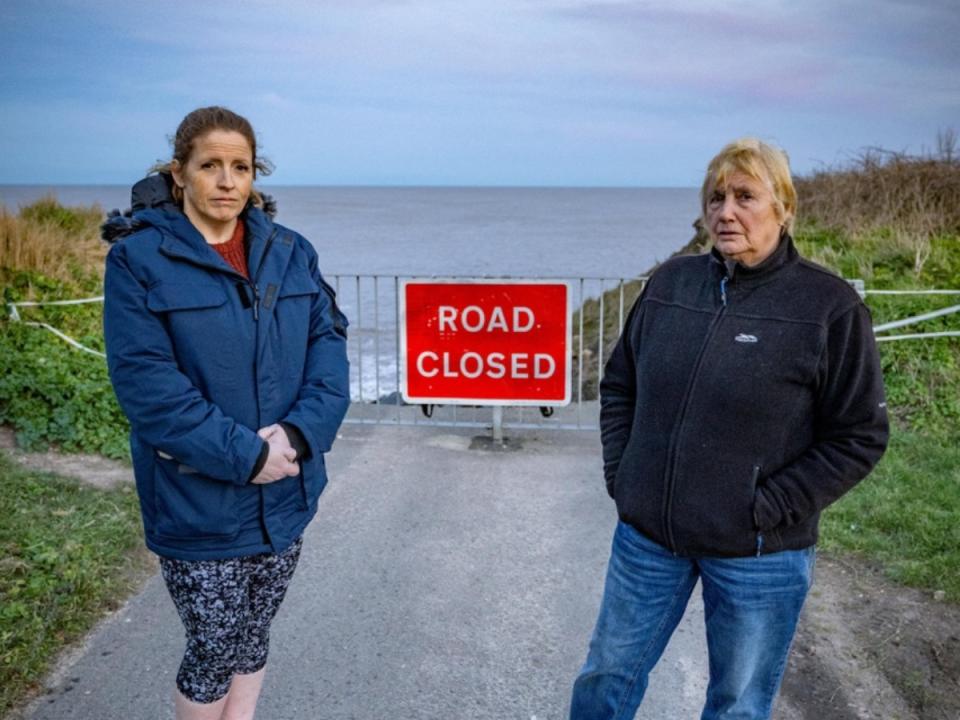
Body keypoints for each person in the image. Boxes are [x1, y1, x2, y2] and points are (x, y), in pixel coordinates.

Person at [569, 138, 889, 720]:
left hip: (757, 553)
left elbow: (859, 435)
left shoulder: (828, 307)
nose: (726, 211)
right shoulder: (671, 284)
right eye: (716, 198)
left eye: (746, 196)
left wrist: (766, 506)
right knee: (604, 680)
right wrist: (625, 474)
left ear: (784, 208)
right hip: (649, 539)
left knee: (737, 704)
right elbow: (620, 386)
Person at [103, 106, 350, 720]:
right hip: (197, 502)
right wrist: (250, 456)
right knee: (213, 647)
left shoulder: (292, 252)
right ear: (179, 172)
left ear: (254, 175)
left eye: (240, 166)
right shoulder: (138, 260)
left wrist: (296, 435)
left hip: (287, 494)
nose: (226, 181)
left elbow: (329, 344)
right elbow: (149, 388)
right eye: (210, 165)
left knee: (253, 636)